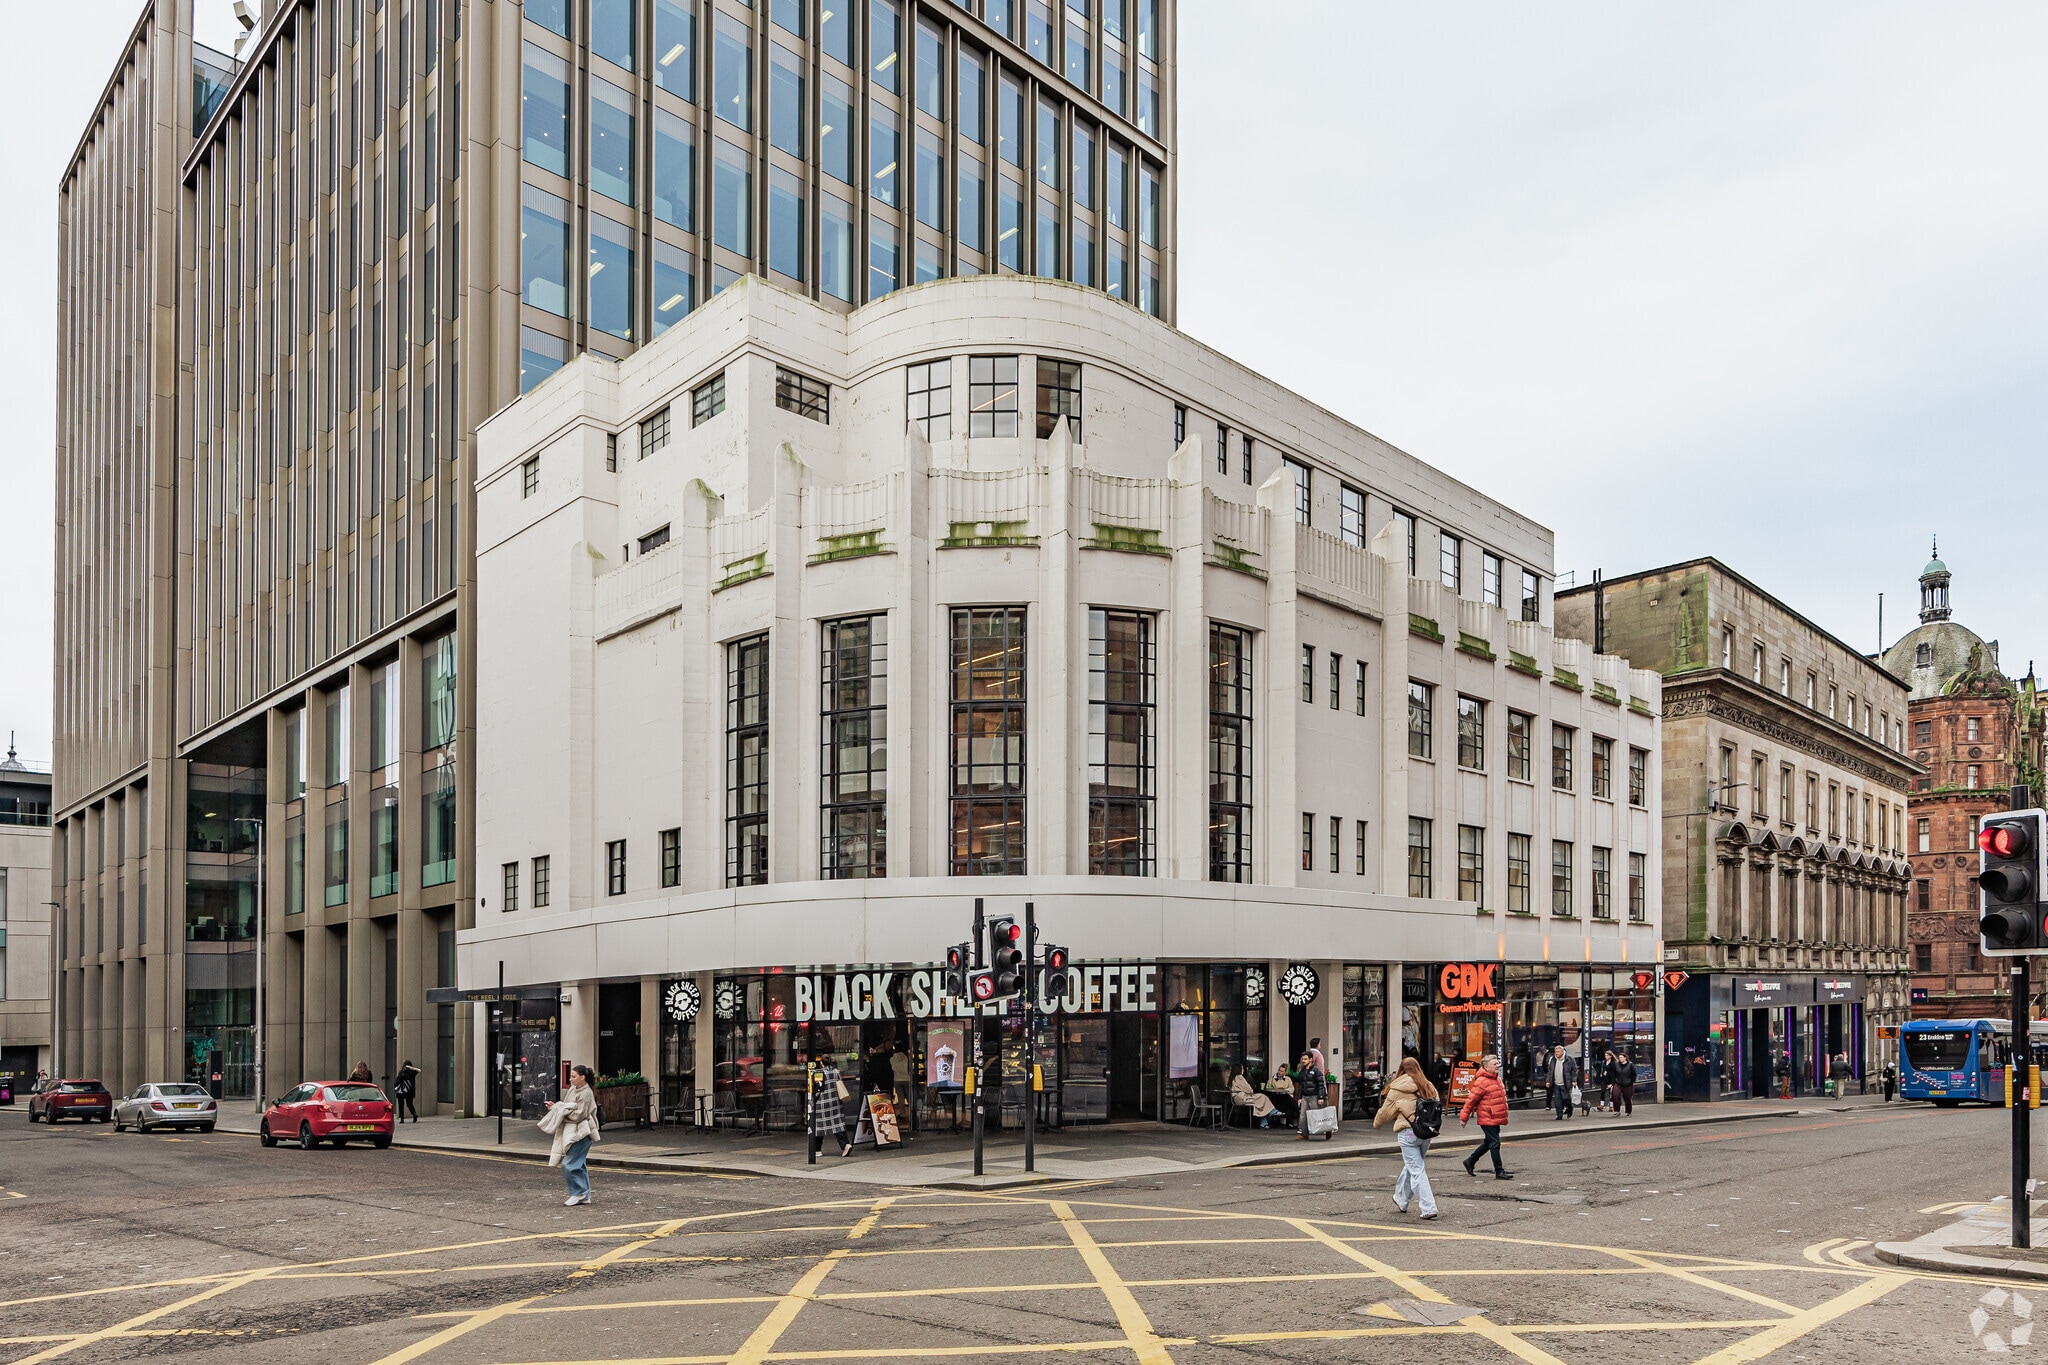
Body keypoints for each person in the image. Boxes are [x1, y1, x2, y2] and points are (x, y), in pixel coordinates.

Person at [1374, 1056, 1440, 1220]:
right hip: (1426, 1132)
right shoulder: (1428, 1085)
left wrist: (1377, 1124)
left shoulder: (1397, 1089)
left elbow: (1384, 1113)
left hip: (1408, 1132)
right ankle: (1401, 1199)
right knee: (1413, 1166)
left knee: (1416, 1169)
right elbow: (1436, 1104)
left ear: (1401, 1070)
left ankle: (1428, 1207)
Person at [540, 1064, 601, 1206]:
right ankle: (585, 1195)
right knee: (579, 1164)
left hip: (583, 1132)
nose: (570, 1079)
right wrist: (555, 1107)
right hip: (574, 1131)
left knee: (569, 1164)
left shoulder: (586, 1094)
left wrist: (561, 1115)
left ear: (582, 1077)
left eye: (573, 1076)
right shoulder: (573, 1089)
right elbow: (566, 1107)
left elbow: (580, 1115)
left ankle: (578, 1193)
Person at [1459, 1055, 1513, 1180]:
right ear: (1486, 1067)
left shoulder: (1497, 1078)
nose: (1497, 1066)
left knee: (1488, 1143)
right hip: (1487, 1116)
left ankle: (1470, 1161)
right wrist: (1464, 1117)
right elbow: (1471, 1101)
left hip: (1495, 1116)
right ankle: (1499, 1171)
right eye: (1494, 1064)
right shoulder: (1481, 1081)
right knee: (1495, 1143)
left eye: (1498, 1063)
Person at [811, 1056, 852, 1159]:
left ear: (821, 1063)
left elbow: (816, 1088)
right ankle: (845, 1145)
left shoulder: (817, 1073)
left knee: (819, 1126)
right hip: (835, 1103)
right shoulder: (836, 1072)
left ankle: (817, 1150)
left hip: (821, 1103)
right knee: (838, 1125)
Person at [1295, 1051, 1328, 1141]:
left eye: (1305, 1059)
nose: (1303, 1061)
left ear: (1310, 1059)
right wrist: (1299, 1097)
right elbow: (1301, 1086)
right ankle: (1304, 1134)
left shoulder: (1316, 1070)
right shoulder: (1302, 1071)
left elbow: (1320, 1084)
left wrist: (1321, 1097)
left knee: (1317, 1115)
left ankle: (1328, 1130)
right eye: (1302, 1059)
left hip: (1314, 1095)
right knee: (1303, 1116)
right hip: (1305, 1096)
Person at [1546, 1045, 1579, 1120]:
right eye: (1555, 1052)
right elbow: (1550, 1071)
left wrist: (1574, 1080)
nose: (1556, 1053)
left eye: (1558, 1052)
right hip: (1556, 1083)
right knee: (1557, 1100)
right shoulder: (1553, 1059)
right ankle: (1559, 1115)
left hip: (1565, 1083)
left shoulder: (1569, 1059)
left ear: (1562, 1052)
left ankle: (1569, 1107)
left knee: (1565, 1098)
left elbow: (1574, 1071)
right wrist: (1548, 1081)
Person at [1266, 1064, 1299, 1128]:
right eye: (1279, 1070)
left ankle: (1289, 1124)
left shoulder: (1288, 1079)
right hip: (1277, 1097)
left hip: (1286, 1097)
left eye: (1281, 1071)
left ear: (1285, 1072)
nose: (1279, 1072)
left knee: (1288, 1102)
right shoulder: (1272, 1079)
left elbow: (1292, 1089)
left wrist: (1285, 1090)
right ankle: (1297, 1108)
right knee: (1288, 1099)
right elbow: (1268, 1088)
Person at [392, 1059, 421, 1123]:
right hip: (410, 1090)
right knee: (410, 1103)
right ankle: (414, 1114)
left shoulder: (402, 1071)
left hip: (402, 1091)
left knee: (401, 1104)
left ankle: (402, 1119)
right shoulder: (413, 1072)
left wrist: (395, 1086)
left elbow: (398, 1080)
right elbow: (418, 1070)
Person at [1612, 1050, 1635, 1116]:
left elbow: (1634, 1074)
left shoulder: (1630, 1065)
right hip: (1618, 1083)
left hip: (1628, 1084)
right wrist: (1613, 1082)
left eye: (1621, 1057)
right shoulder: (1617, 1065)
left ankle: (1628, 1111)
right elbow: (1614, 1074)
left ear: (1625, 1058)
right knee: (1615, 1096)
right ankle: (1617, 1110)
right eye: (1619, 1057)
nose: (1620, 1059)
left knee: (1627, 1098)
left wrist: (1631, 1082)